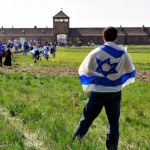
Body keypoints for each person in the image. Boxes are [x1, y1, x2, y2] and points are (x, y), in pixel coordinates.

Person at [73, 27, 136, 150]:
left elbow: (85, 69)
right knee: (113, 123)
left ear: (103, 37)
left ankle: (75, 142)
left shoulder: (95, 52)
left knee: (87, 118)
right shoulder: (123, 53)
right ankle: (112, 148)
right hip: (115, 92)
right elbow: (130, 70)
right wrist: (117, 80)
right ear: (116, 37)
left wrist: (94, 80)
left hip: (97, 92)